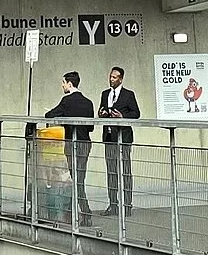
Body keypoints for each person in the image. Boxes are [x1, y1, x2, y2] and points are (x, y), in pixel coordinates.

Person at [45, 71, 98, 222]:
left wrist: (62, 118)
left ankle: (85, 212)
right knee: (79, 178)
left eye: (63, 83)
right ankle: (77, 211)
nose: (62, 85)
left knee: (74, 179)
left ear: (70, 83)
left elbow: (49, 115)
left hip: (71, 143)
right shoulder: (88, 102)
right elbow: (90, 128)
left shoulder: (66, 101)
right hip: (85, 143)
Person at [98, 65, 141, 218]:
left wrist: (122, 117)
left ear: (121, 79)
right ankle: (113, 204)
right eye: (110, 77)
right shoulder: (105, 94)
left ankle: (127, 205)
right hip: (109, 137)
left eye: (114, 77)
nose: (111, 80)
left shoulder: (128, 95)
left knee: (125, 171)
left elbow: (136, 113)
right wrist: (102, 113)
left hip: (123, 137)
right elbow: (101, 110)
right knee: (111, 171)